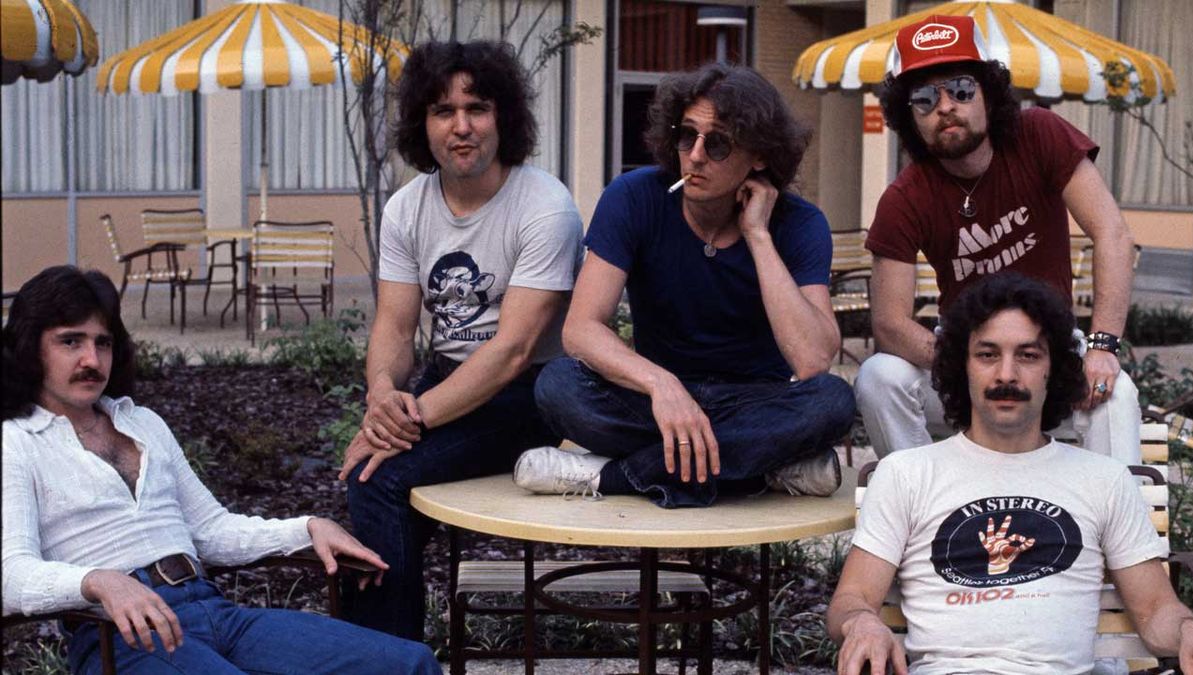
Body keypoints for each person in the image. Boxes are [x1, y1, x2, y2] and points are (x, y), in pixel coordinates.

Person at [1, 266, 440, 675]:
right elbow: (12, 574)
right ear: (30, 348)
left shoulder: (142, 423)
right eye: (70, 341)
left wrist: (306, 528)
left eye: (103, 342)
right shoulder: (16, 442)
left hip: (215, 612)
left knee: (408, 663)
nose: (92, 360)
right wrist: (98, 582)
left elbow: (211, 530)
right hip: (119, 636)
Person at [512, 63, 855, 508]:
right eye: (685, 135)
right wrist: (661, 385)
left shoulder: (799, 223)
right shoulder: (633, 197)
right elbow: (580, 330)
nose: (694, 156)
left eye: (717, 144)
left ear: (760, 156)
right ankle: (757, 468)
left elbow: (812, 361)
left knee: (832, 401)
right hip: (654, 403)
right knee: (558, 384)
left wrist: (758, 236)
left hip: (752, 403)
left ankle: (613, 476)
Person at [826, 272, 1193, 674]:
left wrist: (1187, 629)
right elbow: (852, 598)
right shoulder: (906, 475)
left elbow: (1156, 609)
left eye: (1028, 355)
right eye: (988, 355)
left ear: (1052, 370)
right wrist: (862, 622)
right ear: (962, 366)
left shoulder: (1104, 480)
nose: (1007, 374)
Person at [338, 39, 583, 639]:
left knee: (379, 478)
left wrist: (405, 425)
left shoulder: (545, 207)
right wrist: (378, 398)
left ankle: (387, 657)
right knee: (373, 481)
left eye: (477, 108)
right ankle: (379, 648)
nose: (462, 126)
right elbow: (395, 328)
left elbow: (513, 351)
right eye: (443, 111)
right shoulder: (406, 209)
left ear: (505, 118)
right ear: (424, 124)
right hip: (444, 380)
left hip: (528, 395)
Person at [855, 14, 1141, 463]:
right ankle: (925, 506)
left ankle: (1118, 529)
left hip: (1049, 350)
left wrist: (1102, 347)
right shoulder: (903, 197)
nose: (945, 106)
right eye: (925, 98)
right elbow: (890, 324)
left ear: (989, 92)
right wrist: (968, 359)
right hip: (963, 360)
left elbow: (1113, 235)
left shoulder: (1040, 135)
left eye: (962, 89)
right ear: (908, 116)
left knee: (1115, 393)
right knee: (878, 376)